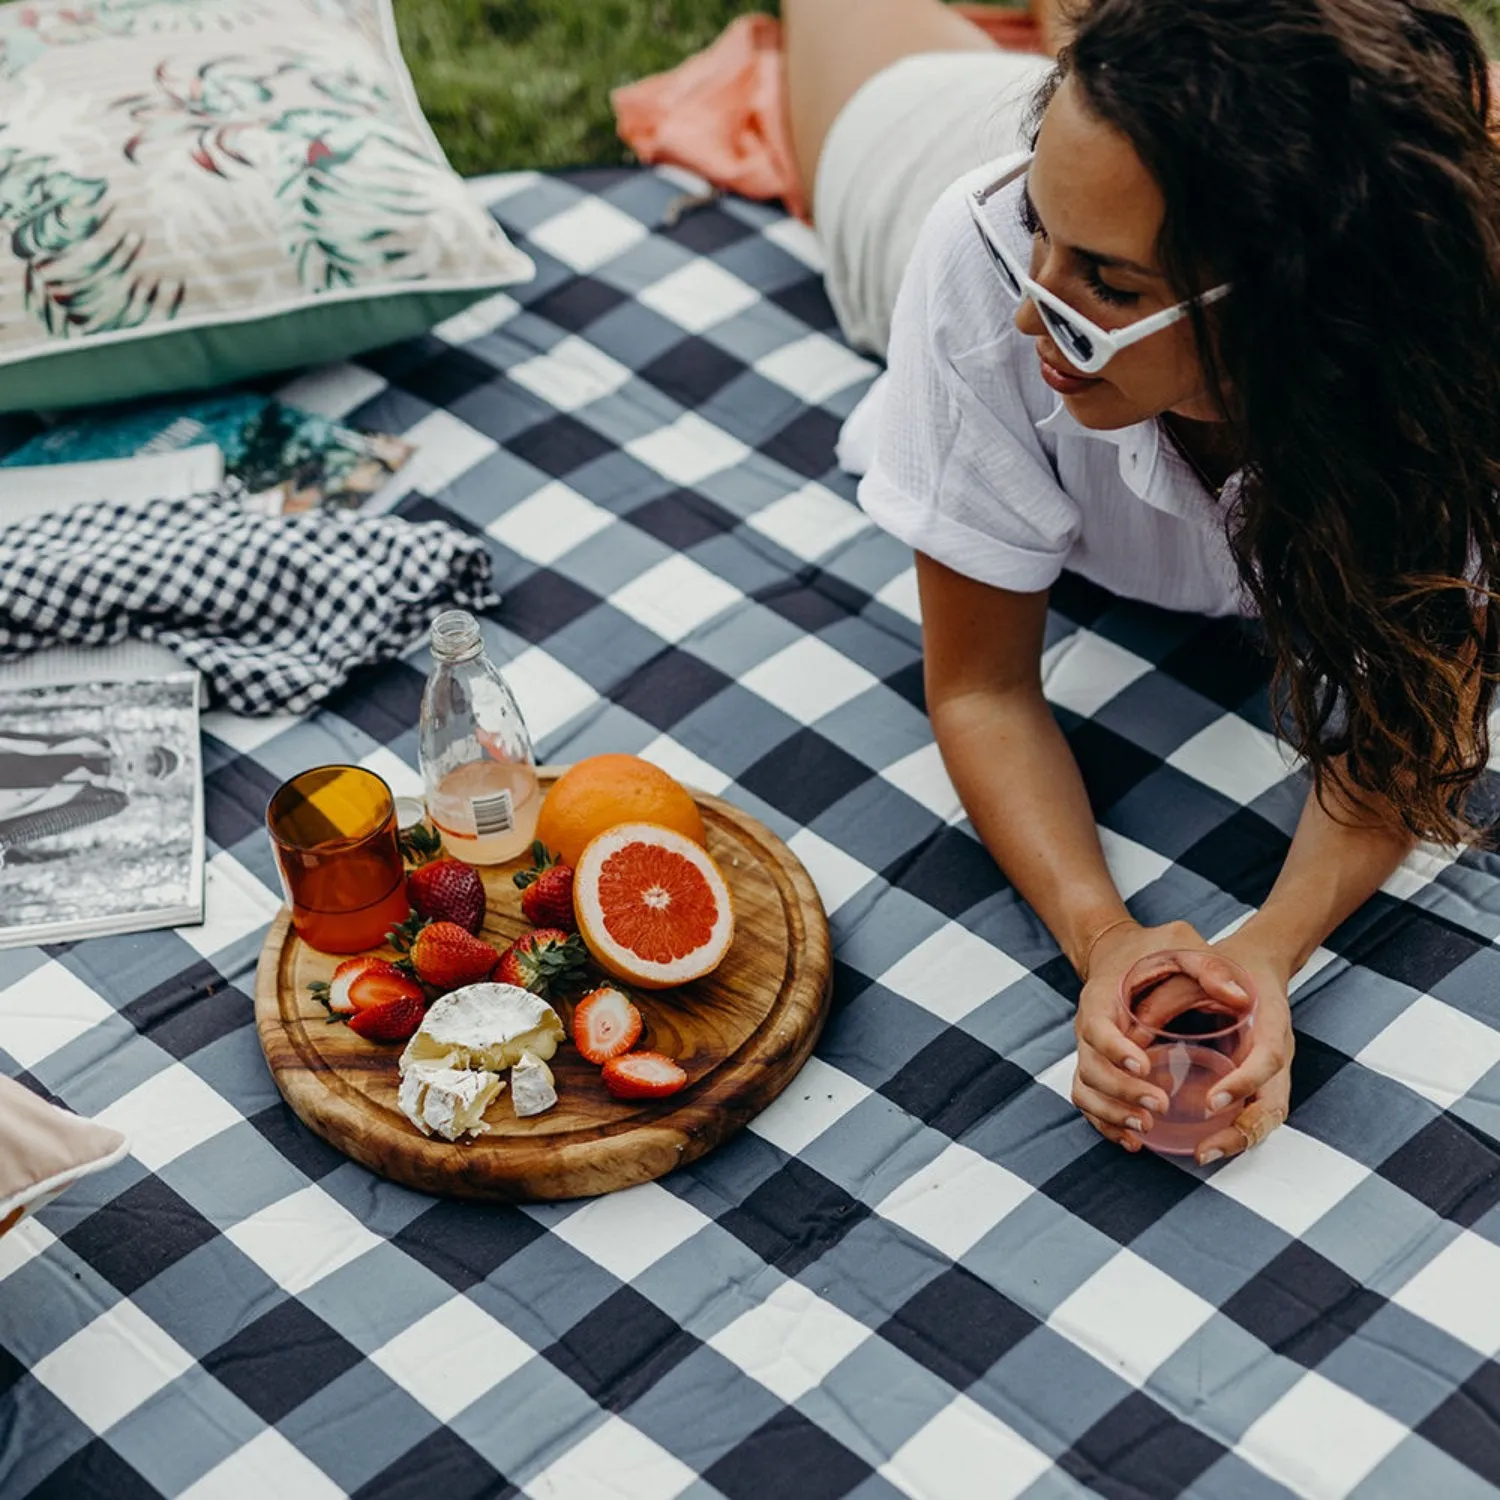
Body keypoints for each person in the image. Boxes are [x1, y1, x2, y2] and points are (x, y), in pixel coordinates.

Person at [784, 0, 1500, 1163]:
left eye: (1107, 289)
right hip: (938, 161)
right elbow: (980, 691)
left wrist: (1269, 949)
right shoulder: (984, 266)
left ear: (1300, 309)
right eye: (1038, 242)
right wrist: (1103, 935)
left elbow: (1415, 712)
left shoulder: (1452, 377)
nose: (1034, 308)